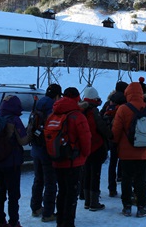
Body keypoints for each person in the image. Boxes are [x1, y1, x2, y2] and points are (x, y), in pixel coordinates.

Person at [112, 82, 146, 218]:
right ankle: (141, 206)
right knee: (141, 179)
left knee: (126, 179)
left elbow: (116, 131)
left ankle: (127, 206)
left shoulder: (123, 109)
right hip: (144, 151)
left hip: (126, 152)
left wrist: (116, 143)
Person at [47, 87, 91, 227]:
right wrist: (85, 154)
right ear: (77, 98)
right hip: (73, 161)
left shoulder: (53, 114)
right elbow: (85, 140)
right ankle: (68, 223)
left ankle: (60, 221)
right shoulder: (77, 116)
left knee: (62, 192)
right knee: (71, 194)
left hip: (57, 159)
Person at [0, 96, 30, 227]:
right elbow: (23, 141)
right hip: (12, 163)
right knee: (13, 195)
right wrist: (30, 131)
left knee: (0, 192)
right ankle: (14, 222)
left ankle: (0, 221)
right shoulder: (15, 120)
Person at [30, 84, 61, 223]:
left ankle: (36, 208)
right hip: (47, 150)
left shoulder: (38, 105)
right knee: (50, 182)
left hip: (36, 148)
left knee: (38, 179)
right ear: (57, 96)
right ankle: (48, 213)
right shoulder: (52, 108)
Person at [79, 87, 111, 211]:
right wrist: (110, 135)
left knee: (86, 173)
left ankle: (87, 200)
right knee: (95, 174)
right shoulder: (94, 111)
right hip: (96, 146)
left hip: (84, 146)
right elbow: (102, 127)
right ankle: (94, 202)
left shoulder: (80, 110)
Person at [100, 81, 128, 197]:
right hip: (124, 136)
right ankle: (121, 178)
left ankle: (112, 188)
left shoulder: (109, 102)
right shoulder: (126, 103)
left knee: (112, 162)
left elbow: (101, 116)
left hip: (111, 136)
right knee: (125, 161)